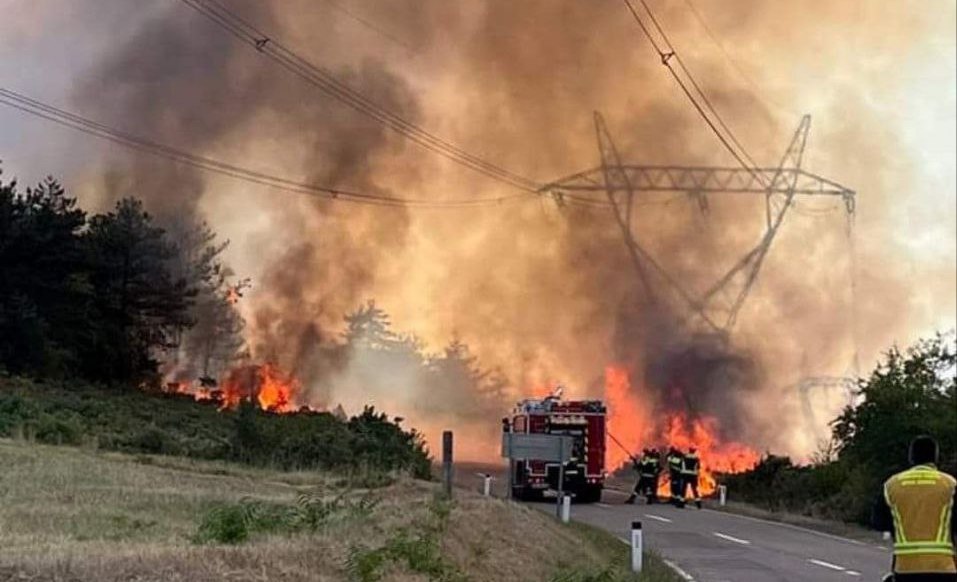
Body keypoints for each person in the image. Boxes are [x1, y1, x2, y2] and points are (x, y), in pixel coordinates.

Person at [873, 435, 956, 581]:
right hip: (943, 567)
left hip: (905, 568)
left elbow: (878, 522)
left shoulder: (892, 485)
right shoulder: (950, 484)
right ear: (935, 457)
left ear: (911, 458)